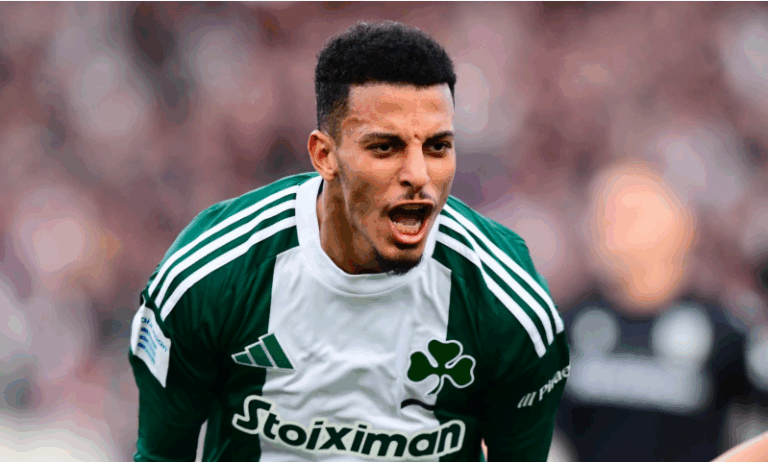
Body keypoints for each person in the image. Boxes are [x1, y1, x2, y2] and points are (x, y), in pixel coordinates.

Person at [129, 21, 569, 461]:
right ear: (324, 156)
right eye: (385, 147)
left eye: (437, 147)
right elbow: (162, 454)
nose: (418, 175)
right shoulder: (210, 278)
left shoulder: (510, 307)